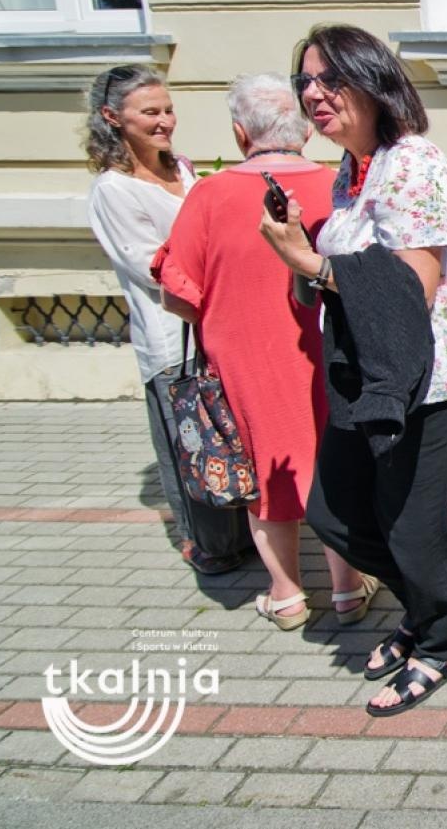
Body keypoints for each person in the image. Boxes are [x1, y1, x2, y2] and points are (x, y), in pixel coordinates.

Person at [259, 24, 447, 717]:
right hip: (370, 378)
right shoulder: (352, 166)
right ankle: (427, 607)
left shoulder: (413, 162)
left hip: (435, 384)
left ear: (373, 82)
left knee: (412, 527)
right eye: (305, 81)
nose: (313, 93)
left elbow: (406, 292)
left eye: (331, 79)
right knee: (334, 510)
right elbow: (356, 269)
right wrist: (308, 243)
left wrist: (308, 263)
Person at [153, 74, 376, 631]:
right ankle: (348, 588)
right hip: (327, 351)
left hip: (243, 357)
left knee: (265, 471)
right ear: (304, 128)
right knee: (333, 464)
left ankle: (285, 594)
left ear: (238, 131)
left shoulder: (209, 194)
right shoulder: (339, 186)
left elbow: (178, 295)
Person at [83, 64, 251, 575]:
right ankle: (208, 545)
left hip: (216, 325)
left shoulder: (181, 167)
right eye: (150, 112)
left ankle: (243, 534)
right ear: (113, 117)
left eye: (168, 109)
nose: (165, 121)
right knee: (189, 442)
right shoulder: (114, 190)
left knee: (226, 434)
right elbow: (151, 265)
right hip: (169, 336)